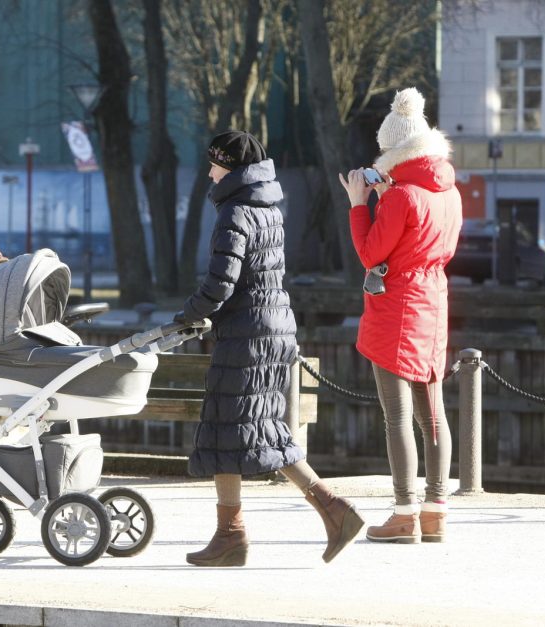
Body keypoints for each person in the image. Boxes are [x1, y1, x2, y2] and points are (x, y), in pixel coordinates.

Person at [176, 130, 364, 567]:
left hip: (246, 334)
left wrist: (188, 314)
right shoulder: (269, 209)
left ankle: (232, 536)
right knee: (259, 428)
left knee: (229, 428)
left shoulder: (235, 213)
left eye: (216, 164)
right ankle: (331, 511)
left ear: (233, 168)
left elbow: (222, 282)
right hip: (274, 328)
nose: (210, 171)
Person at [338, 87, 462, 543]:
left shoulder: (400, 196)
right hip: (433, 302)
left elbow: (372, 254)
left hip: (397, 307)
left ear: (394, 151)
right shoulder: (448, 193)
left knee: (396, 417)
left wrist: (358, 202)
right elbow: (432, 246)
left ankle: (404, 512)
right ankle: (435, 512)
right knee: (433, 416)